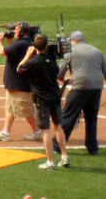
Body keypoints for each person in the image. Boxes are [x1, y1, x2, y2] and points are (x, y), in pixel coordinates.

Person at [53, 31, 106, 155]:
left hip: (79, 89)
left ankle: (56, 145)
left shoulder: (70, 52)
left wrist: (63, 80)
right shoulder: (97, 51)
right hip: (96, 89)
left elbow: (59, 72)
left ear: (73, 41)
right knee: (91, 118)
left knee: (68, 116)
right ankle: (92, 148)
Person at [18, 34, 70, 169]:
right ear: (46, 46)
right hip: (55, 97)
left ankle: (50, 162)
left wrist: (27, 56)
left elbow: (19, 69)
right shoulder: (52, 61)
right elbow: (57, 70)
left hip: (42, 100)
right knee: (58, 126)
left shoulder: (33, 62)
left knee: (45, 130)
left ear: (34, 47)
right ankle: (64, 156)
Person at [0, 22, 42, 143]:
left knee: (26, 111)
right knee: (10, 109)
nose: (14, 31)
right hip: (15, 83)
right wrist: (9, 40)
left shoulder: (23, 43)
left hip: (20, 85)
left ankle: (38, 132)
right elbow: (15, 53)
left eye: (17, 29)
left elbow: (3, 51)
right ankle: (5, 133)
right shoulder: (24, 43)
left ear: (23, 31)